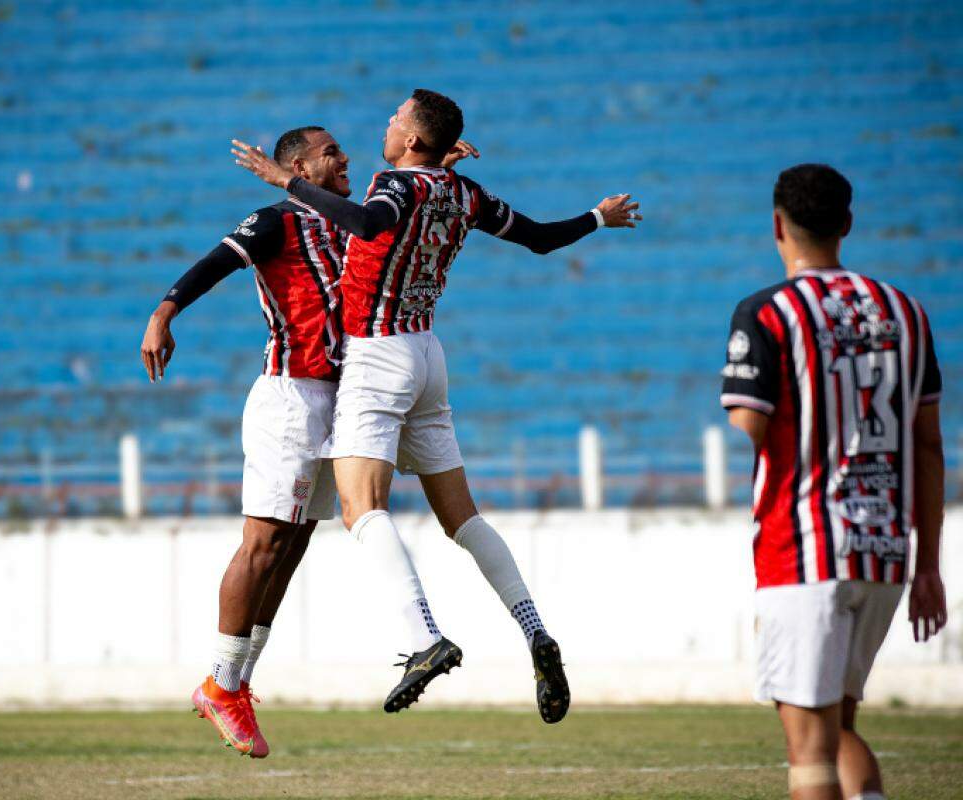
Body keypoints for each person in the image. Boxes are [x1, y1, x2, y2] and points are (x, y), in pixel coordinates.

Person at [230, 88, 641, 722]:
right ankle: (535, 630)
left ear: (414, 140)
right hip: (429, 355)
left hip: (379, 356)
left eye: (396, 118)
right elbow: (537, 238)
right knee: (463, 518)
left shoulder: (397, 188)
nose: (386, 122)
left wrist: (285, 179)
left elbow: (369, 222)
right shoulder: (464, 192)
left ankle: (422, 637)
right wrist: (595, 216)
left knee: (358, 507)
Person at [141, 126, 478, 757]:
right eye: (330, 153)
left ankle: (233, 684)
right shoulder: (274, 221)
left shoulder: (349, 221)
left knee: (294, 543)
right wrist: (164, 311)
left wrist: (436, 166)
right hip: (291, 396)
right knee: (264, 541)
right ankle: (221, 682)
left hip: (343, 397)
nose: (345, 158)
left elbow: (404, 217)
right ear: (296, 166)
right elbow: (214, 263)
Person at [719, 163, 947, 800]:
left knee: (809, 746)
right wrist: (929, 564)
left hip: (803, 549)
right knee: (840, 724)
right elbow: (929, 446)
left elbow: (748, 423)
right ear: (847, 224)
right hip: (884, 551)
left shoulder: (767, 311)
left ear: (776, 225)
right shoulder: (905, 312)